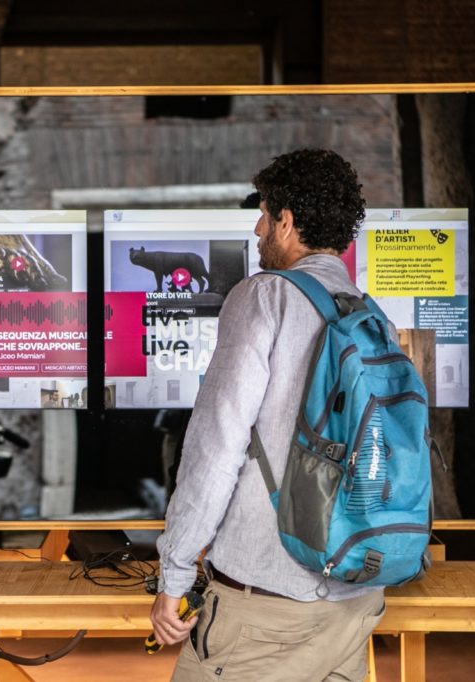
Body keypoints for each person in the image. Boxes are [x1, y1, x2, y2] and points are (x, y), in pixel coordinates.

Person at [150, 149, 384, 681]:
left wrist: (175, 575)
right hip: (355, 599)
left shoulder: (263, 298)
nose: (257, 230)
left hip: (267, 602)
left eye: (264, 214)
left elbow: (215, 449)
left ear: (288, 222)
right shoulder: (370, 314)